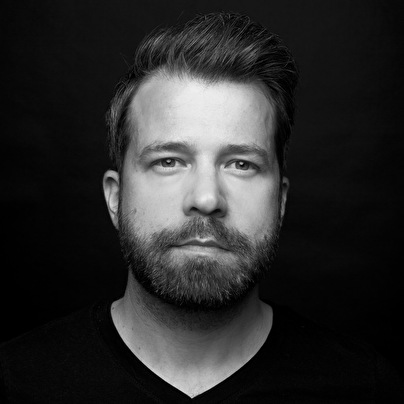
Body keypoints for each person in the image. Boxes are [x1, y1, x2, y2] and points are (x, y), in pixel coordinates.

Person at [1, 11, 402, 403]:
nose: (207, 199)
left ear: (280, 201)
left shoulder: (365, 389)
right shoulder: (16, 382)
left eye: (241, 164)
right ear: (115, 197)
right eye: (169, 161)